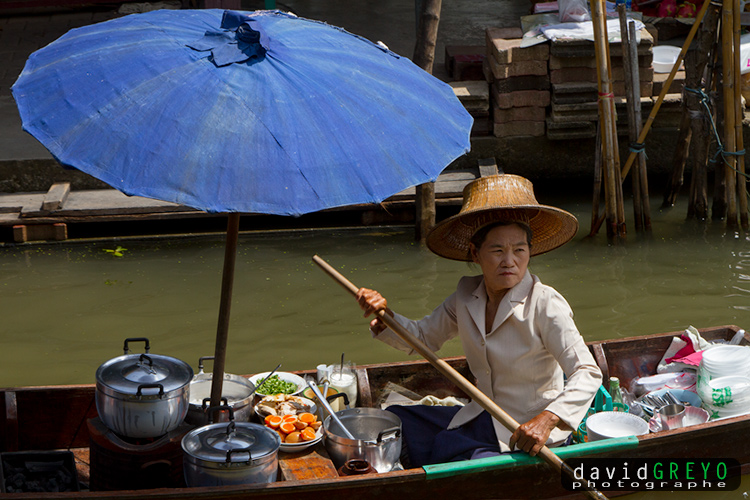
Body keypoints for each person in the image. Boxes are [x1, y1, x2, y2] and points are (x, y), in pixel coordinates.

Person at [355, 174, 602, 466]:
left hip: (525, 431)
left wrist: (548, 419)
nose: (509, 261)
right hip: (481, 414)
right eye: (497, 250)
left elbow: (587, 371)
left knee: (452, 454)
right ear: (475, 252)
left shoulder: (545, 303)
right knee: (397, 420)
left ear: (529, 252)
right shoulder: (466, 295)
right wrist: (386, 318)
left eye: (519, 250)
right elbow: (422, 338)